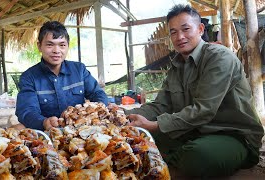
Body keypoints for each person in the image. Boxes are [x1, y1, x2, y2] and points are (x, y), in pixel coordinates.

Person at [125, 4, 264, 178]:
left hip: (233, 135)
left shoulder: (219, 57)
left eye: (185, 29)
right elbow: (160, 105)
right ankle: (174, 158)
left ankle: (175, 159)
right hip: (194, 133)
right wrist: (122, 115)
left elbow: (203, 110)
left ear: (200, 29)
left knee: (198, 157)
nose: (180, 37)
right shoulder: (177, 65)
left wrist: (155, 126)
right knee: (135, 138)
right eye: (173, 32)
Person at [16, 21, 108, 131]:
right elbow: (27, 111)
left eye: (62, 45)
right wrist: (44, 122)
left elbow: (97, 93)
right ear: (39, 46)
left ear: (67, 46)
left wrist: (99, 109)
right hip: (48, 136)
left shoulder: (79, 70)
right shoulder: (29, 77)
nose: (56, 51)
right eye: (50, 45)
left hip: (81, 132)